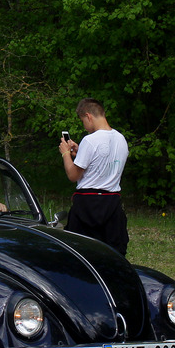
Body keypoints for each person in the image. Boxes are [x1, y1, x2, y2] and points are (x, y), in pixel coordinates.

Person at [59, 98, 130, 256]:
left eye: (83, 121)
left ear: (88, 116)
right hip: (112, 204)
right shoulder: (121, 139)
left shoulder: (90, 140)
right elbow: (101, 165)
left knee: (82, 254)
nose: (84, 125)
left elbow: (73, 175)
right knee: (112, 254)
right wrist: (81, 153)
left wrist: (65, 153)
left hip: (88, 205)